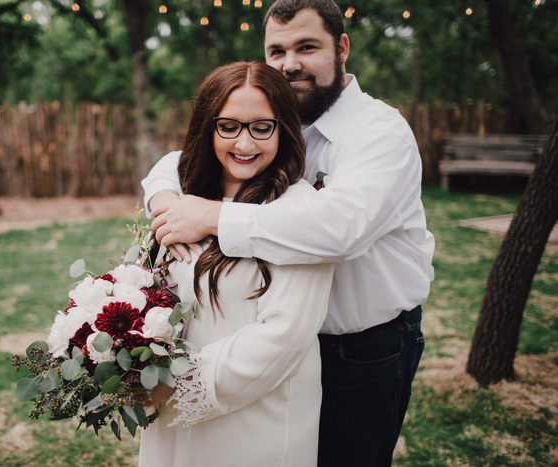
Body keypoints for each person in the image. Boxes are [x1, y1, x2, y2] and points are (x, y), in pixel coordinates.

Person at [142, 1, 435, 465]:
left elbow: (339, 229)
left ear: (342, 48)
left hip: (364, 345)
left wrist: (212, 217)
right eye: (276, 50)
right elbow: (183, 158)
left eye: (306, 46)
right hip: (297, 350)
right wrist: (165, 200)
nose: (289, 63)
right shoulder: (274, 120)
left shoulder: (379, 133)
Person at [137, 61, 335, 466]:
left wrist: (176, 382)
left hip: (256, 420)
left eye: (261, 127)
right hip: (170, 417)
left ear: (283, 128)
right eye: (228, 126)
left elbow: (285, 335)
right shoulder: (184, 198)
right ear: (208, 128)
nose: (244, 144)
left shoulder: (299, 211)